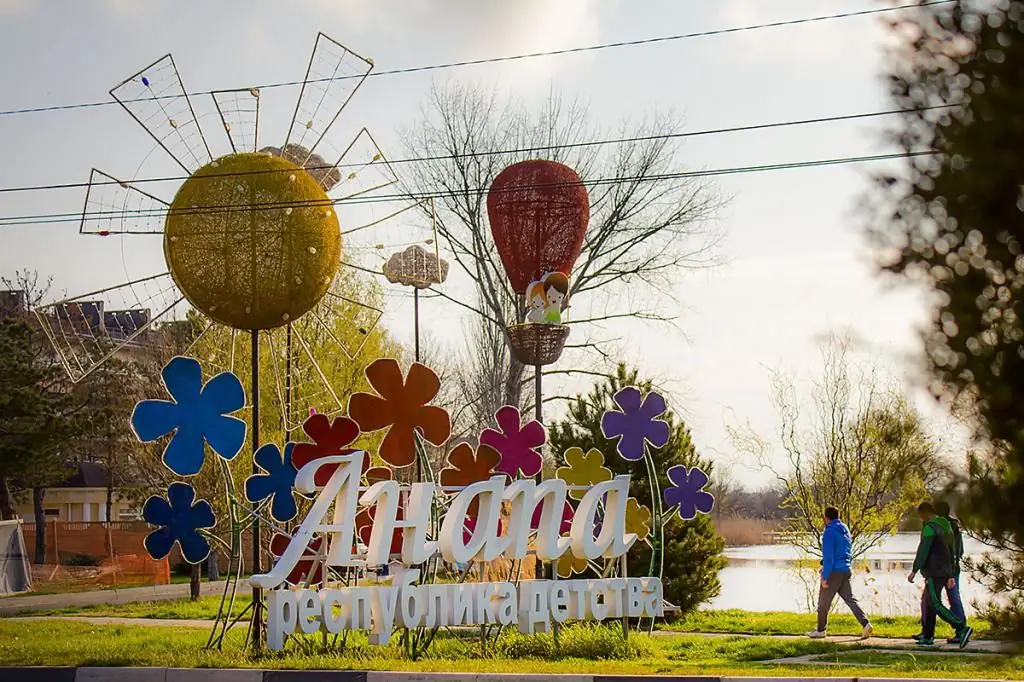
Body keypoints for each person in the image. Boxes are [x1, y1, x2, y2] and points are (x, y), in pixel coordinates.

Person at [909, 502, 973, 648]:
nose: (921, 519)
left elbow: (923, 550)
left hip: (934, 571)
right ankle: (927, 636)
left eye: (921, 516)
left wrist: (914, 570)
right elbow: (954, 551)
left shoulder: (930, 527)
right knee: (928, 602)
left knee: (935, 603)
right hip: (946, 570)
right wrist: (951, 573)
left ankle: (961, 628)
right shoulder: (947, 525)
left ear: (925, 513)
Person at [806, 506, 873, 639]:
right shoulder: (845, 530)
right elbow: (844, 552)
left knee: (823, 602)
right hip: (845, 569)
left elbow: (829, 557)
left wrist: (825, 575)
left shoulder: (829, 532)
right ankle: (866, 624)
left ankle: (820, 630)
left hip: (834, 571)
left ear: (826, 518)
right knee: (850, 600)